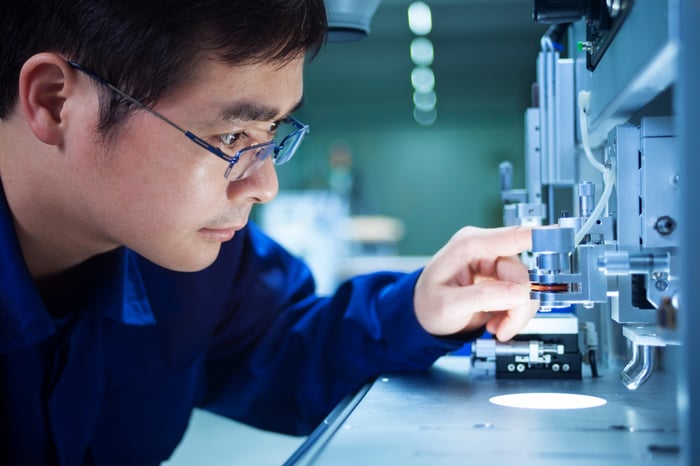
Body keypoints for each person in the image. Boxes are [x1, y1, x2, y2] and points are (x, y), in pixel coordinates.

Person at [0, 1, 538, 464]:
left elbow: (291, 346)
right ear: (54, 101)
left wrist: (420, 307)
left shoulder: (195, 264)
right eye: (232, 135)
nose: (265, 185)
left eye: (272, 133)